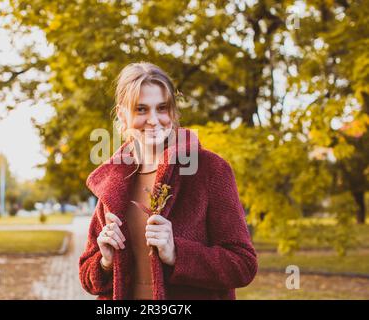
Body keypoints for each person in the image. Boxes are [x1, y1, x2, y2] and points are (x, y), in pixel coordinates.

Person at [79, 62, 257, 300]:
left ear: (173, 111)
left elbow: (243, 264)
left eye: (162, 108)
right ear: (122, 114)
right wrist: (105, 261)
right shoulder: (113, 180)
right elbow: (88, 278)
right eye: (141, 109)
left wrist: (176, 253)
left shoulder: (209, 170)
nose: (153, 120)